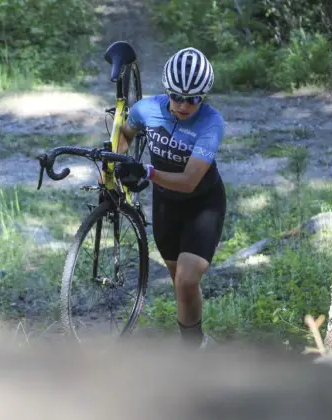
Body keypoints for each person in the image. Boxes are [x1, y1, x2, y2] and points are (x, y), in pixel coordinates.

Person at [114, 47, 226, 349]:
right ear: (166, 91)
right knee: (181, 283)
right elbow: (124, 135)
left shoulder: (211, 123)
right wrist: (122, 164)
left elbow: (189, 182)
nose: (184, 105)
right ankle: (197, 341)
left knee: (187, 280)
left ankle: (192, 350)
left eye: (193, 99)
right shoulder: (147, 109)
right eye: (176, 97)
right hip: (166, 205)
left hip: (203, 204)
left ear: (203, 97)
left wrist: (146, 172)